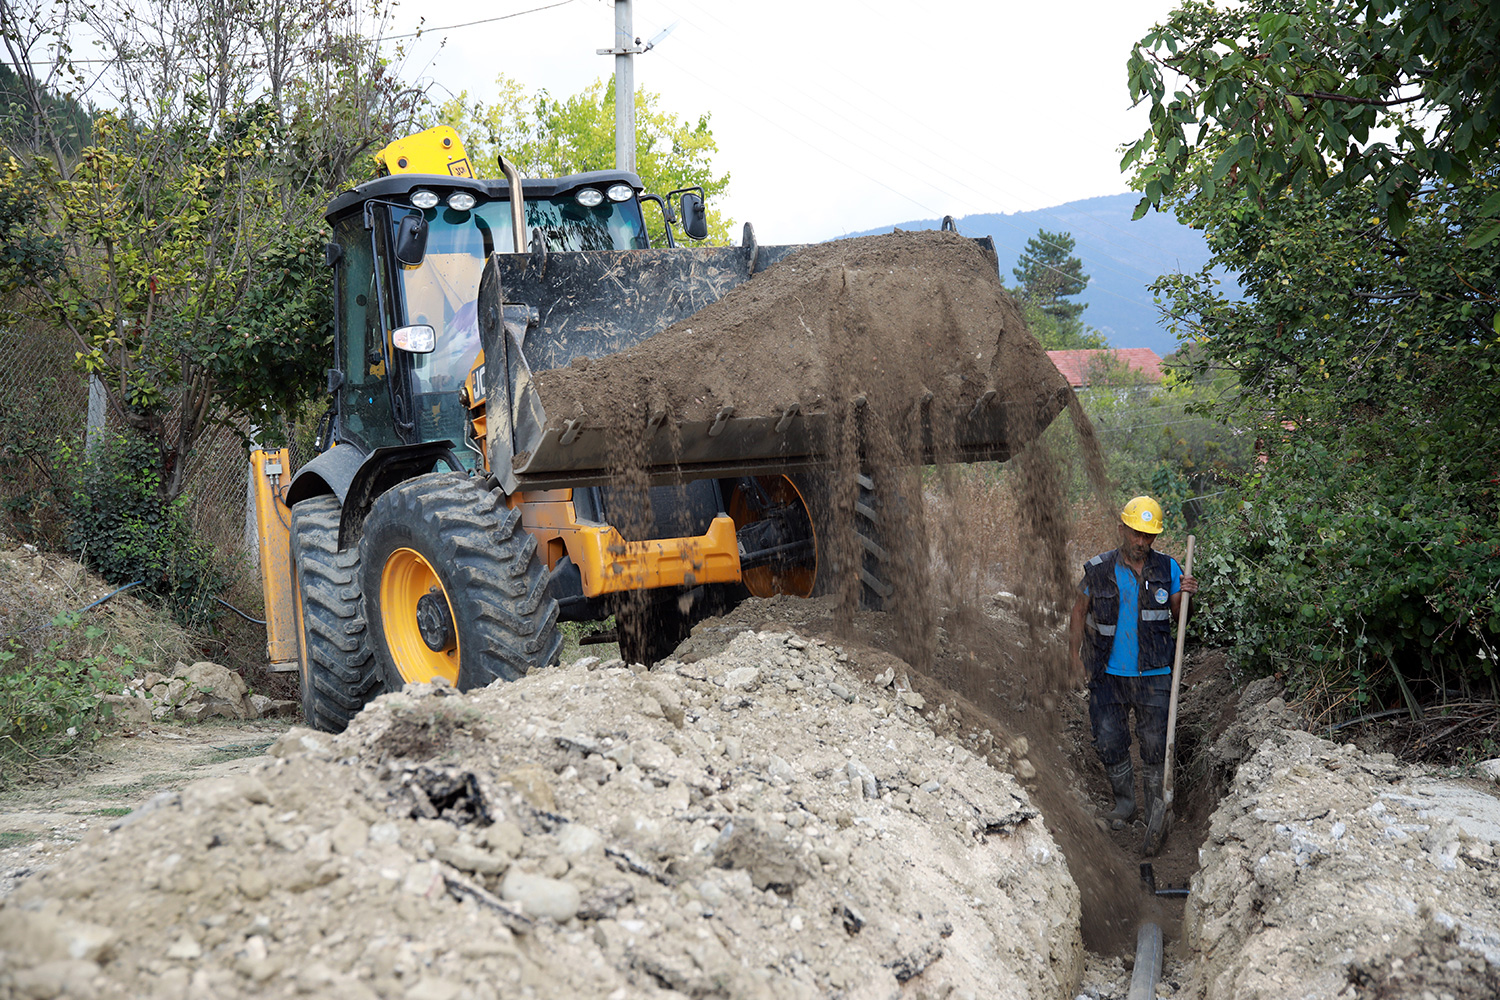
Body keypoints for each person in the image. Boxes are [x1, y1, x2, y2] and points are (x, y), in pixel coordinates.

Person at [1068, 496, 1199, 832]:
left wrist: (1186, 596)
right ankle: (1125, 805)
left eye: (1148, 536)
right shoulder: (1097, 569)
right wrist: (1073, 657)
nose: (1142, 541)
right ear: (1122, 528)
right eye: (1136, 533)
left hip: (1155, 673)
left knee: (1156, 742)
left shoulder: (1168, 568)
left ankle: (1157, 809)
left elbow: (1179, 616)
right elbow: (1079, 611)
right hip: (1106, 674)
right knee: (1109, 740)